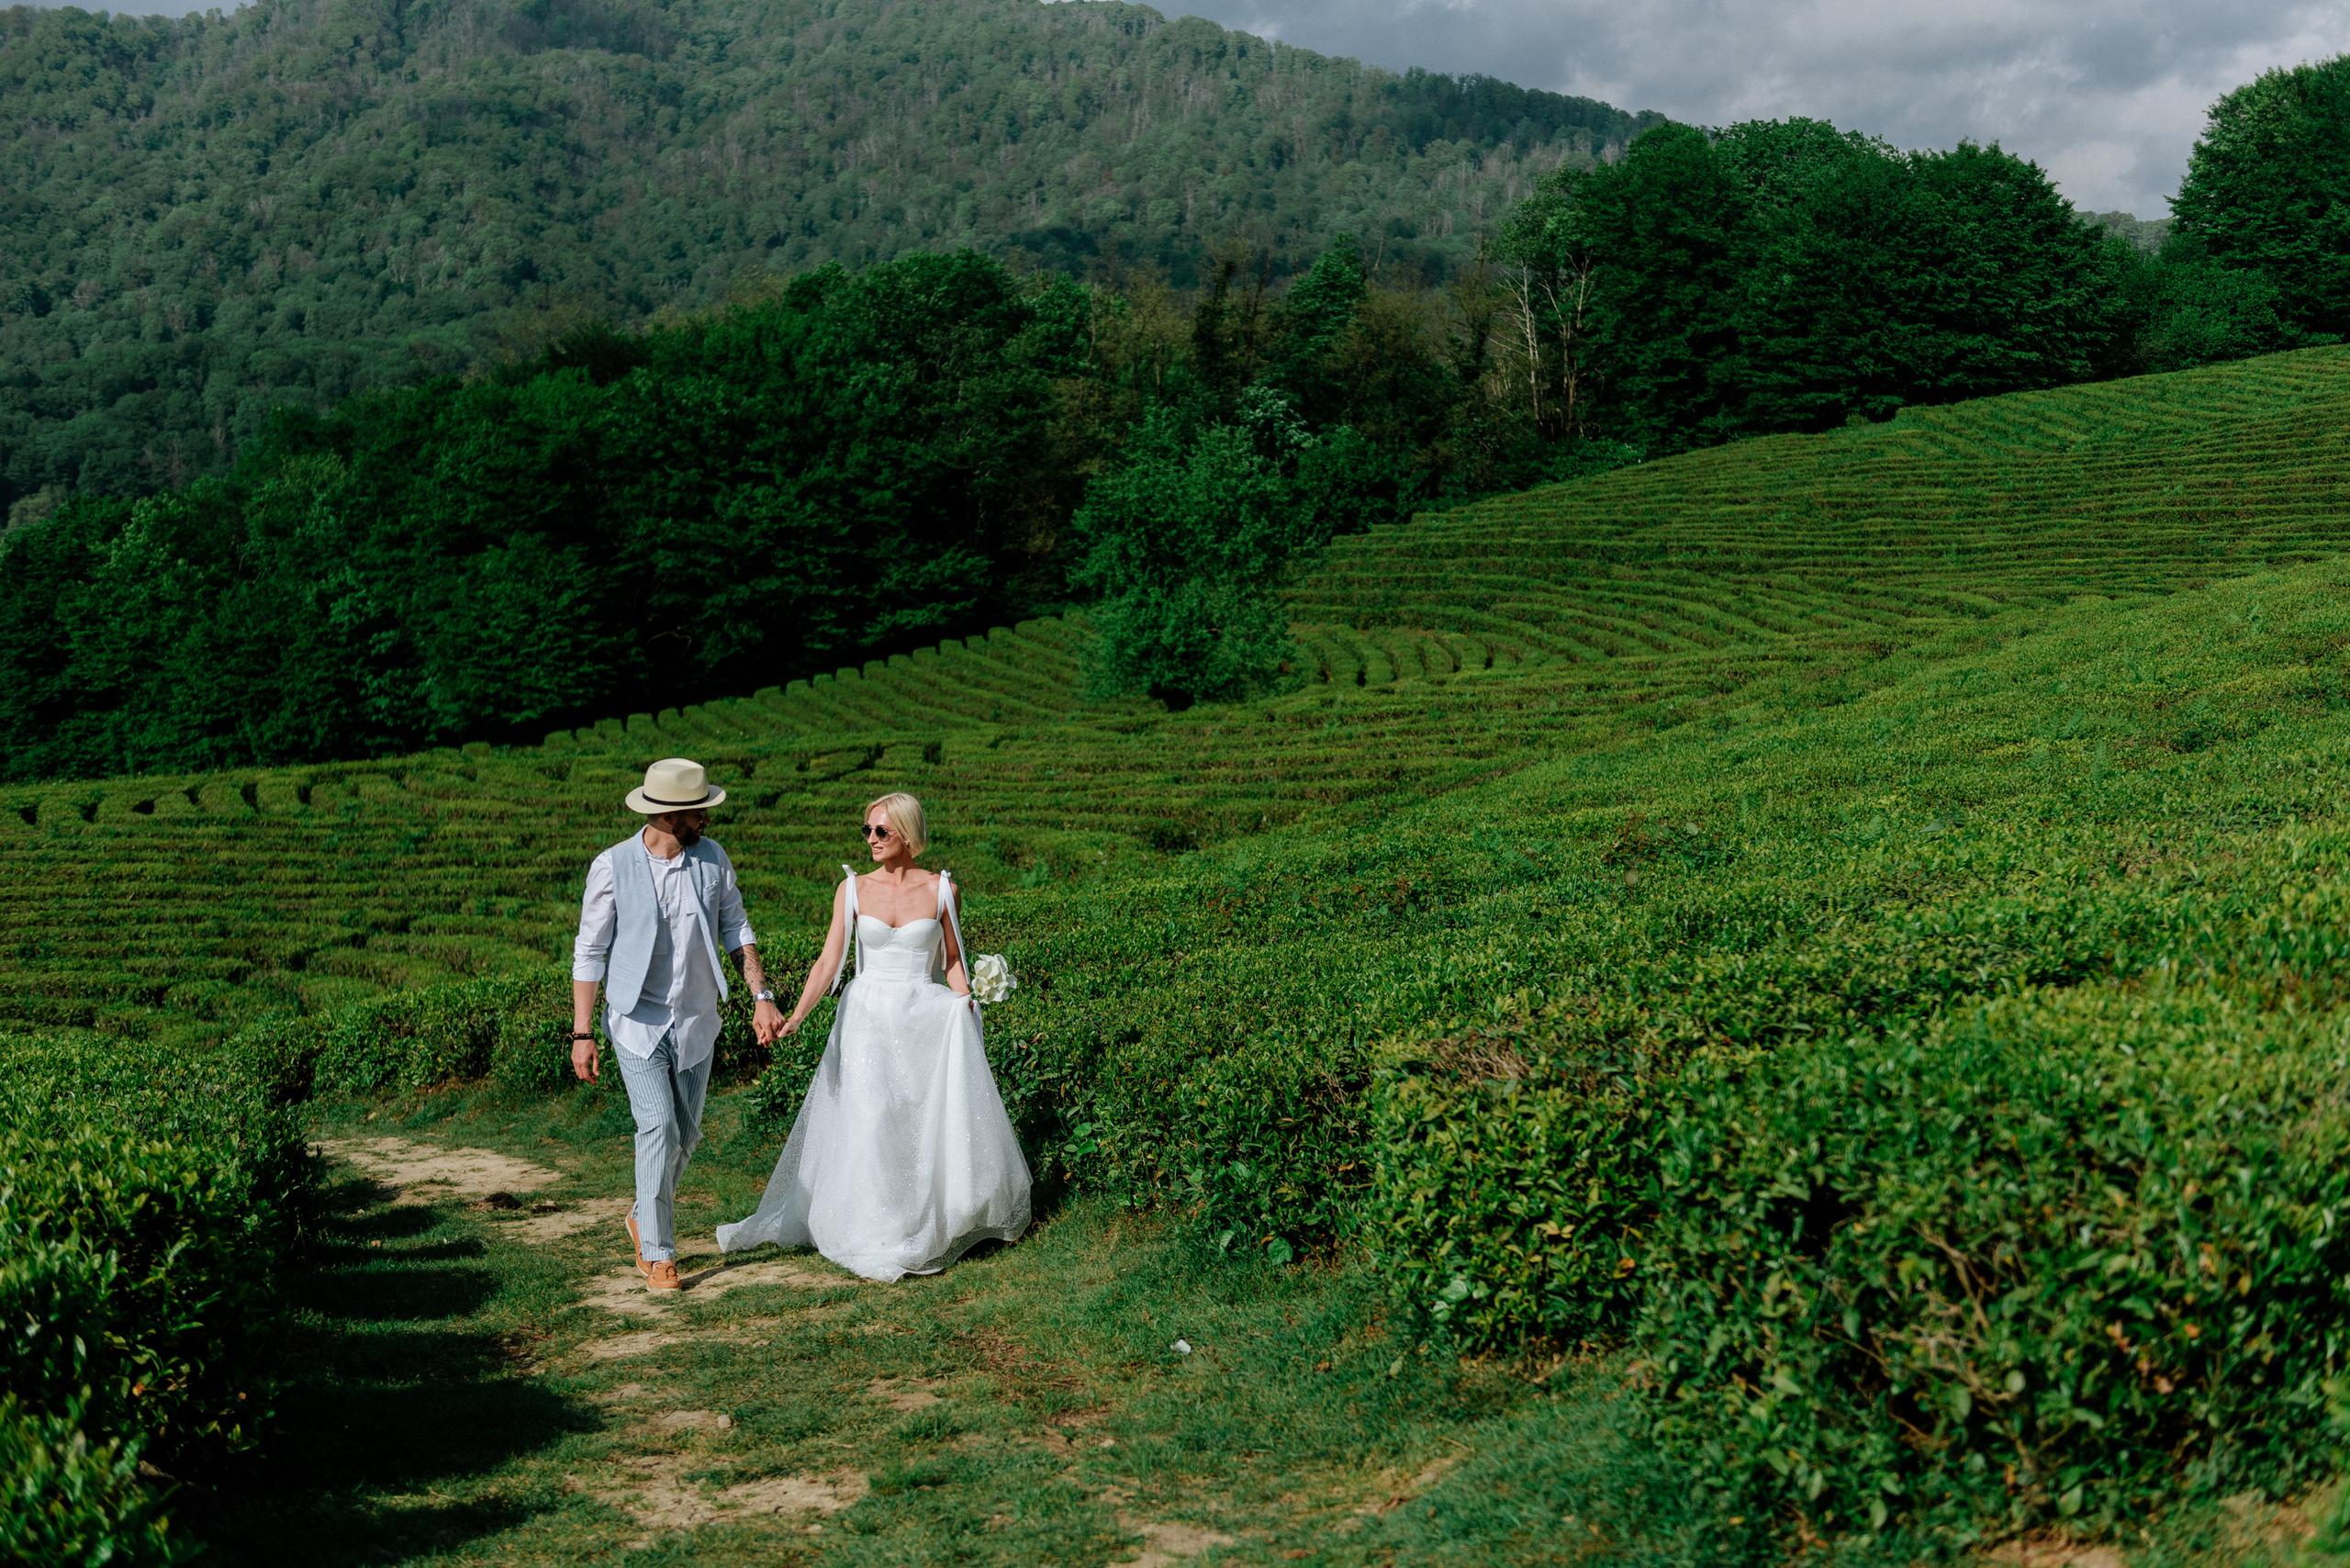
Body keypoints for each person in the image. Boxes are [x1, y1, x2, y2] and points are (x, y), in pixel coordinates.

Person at [717, 792, 1030, 1282]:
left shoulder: (943, 889)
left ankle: (918, 1219)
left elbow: (951, 960)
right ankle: (872, 1226)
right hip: (865, 1019)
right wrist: (797, 1016)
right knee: (872, 1117)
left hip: (922, 1019)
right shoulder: (853, 889)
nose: (871, 840)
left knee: (913, 1119)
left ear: (907, 834)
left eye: (881, 831)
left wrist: (966, 1001)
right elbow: (828, 962)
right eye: (866, 830)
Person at [571, 757, 785, 1292]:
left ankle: (642, 1213)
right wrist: (582, 1032)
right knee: (659, 1126)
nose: (707, 820)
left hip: (696, 1018)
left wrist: (761, 995)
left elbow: (737, 929)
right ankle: (659, 1252)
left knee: (686, 1134)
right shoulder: (612, 866)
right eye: (698, 812)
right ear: (669, 816)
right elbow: (589, 952)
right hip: (636, 1020)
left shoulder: (712, 859)